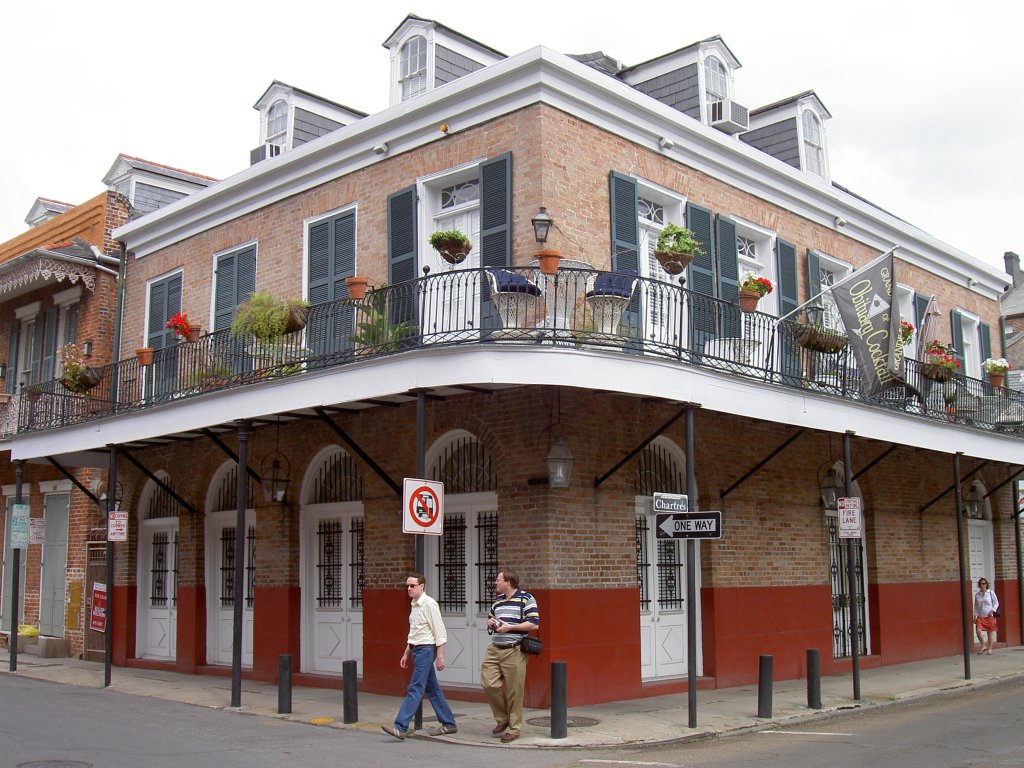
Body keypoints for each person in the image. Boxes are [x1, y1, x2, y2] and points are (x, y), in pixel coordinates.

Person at [381, 573, 458, 740]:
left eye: (412, 586)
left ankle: (400, 727)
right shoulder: (414, 605)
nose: (409, 588)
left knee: (415, 688)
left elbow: (439, 632)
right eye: (407, 586)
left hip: (426, 650)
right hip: (417, 649)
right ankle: (449, 723)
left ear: (421, 587)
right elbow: (415, 632)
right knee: (432, 689)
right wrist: (406, 652)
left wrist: (440, 656)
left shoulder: (429, 604)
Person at [480, 567, 539, 743]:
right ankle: (503, 719)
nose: (495, 582)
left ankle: (514, 729)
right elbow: (490, 617)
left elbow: (534, 624)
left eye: (498, 580)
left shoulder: (526, 598)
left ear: (508, 582)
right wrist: (490, 622)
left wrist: (511, 627)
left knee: (514, 691)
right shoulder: (498, 600)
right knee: (488, 683)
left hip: (514, 649)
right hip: (495, 647)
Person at [973, 577, 999, 655]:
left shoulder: (990, 593)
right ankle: (983, 645)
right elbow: (976, 606)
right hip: (980, 616)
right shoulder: (977, 595)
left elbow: (996, 603)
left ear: (986, 584)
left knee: (989, 632)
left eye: (983, 583)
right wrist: (975, 615)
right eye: (980, 584)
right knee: (978, 631)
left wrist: (992, 610)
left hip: (989, 615)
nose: (982, 585)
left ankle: (990, 649)